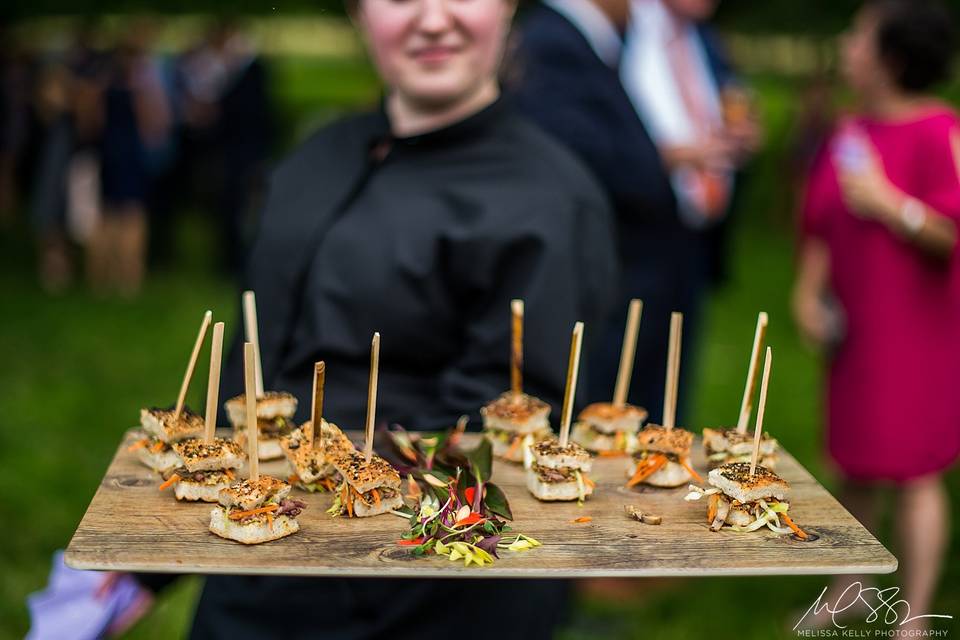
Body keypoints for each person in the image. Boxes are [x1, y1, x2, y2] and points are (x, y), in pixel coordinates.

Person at [187, 0, 618, 638]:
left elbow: (496, 434)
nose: (433, 18)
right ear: (358, 14)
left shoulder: (551, 196)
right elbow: (249, 351)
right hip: (253, 565)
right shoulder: (313, 156)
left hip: (433, 585)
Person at [509, 0, 758, 422]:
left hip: (681, 248)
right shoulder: (568, 37)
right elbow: (567, 143)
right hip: (621, 251)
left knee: (661, 400)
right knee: (608, 400)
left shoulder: (700, 39)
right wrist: (662, 158)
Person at [792, 0, 958, 630]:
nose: (846, 44)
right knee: (852, 460)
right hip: (858, 330)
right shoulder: (849, 130)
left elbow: (951, 233)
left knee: (914, 473)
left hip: (918, 331)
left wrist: (893, 205)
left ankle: (913, 614)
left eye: (859, 36)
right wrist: (807, 292)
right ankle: (849, 591)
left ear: (891, 58)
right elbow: (819, 222)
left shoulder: (938, 130)